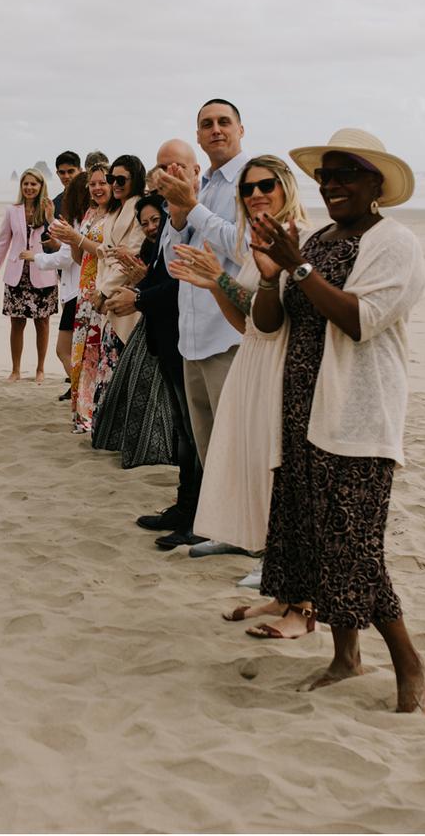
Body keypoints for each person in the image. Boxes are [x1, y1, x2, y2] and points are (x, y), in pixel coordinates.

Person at [246, 128, 425, 716]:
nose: (332, 186)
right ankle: (346, 656)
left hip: (358, 416)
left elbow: (361, 319)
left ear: (376, 183)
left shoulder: (394, 242)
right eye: (325, 176)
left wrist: (297, 265)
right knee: (315, 542)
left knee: (354, 546)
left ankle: (411, 663)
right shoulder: (319, 239)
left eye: (346, 174)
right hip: (299, 414)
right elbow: (270, 321)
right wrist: (275, 271)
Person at [171, 156, 308, 566]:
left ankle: (274, 557)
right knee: (243, 454)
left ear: (287, 186)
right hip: (252, 354)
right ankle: (247, 537)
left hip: (278, 363)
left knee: (271, 461)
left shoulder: (295, 237)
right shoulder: (257, 240)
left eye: (266, 186)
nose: (256, 195)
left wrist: (222, 279)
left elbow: (273, 314)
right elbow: (246, 320)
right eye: (247, 190)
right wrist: (215, 285)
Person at [152, 100, 251, 549]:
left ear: (240, 129)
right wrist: (178, 214)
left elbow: (240, 246)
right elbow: (175, 254)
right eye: (206, 124)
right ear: (198, 135)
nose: (215, 130)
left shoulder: (251, 181)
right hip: (192, 332)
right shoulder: (204, 183)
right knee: (208, 443)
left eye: (223, 122)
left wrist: (191, 207)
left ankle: (238, 530)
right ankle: (217, 526)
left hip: (228, 330)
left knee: (234, 443)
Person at [131, 141, 204, 546]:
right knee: (182, 430)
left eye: (178, 166)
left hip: (191, 337)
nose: (169, 173)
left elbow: (178, 280)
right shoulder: (164, 216)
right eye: (162, 167)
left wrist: (139, 296)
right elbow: (161, 271)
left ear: (196, 173)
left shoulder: (194, 213)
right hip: (169, 337)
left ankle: (198, 515)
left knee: (196, 434)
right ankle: (184, 506)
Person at [49, 159, 139, 433]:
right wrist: (69, 239)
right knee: (80, 355)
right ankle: (83, 416)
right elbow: (80, 256)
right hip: (84, 289)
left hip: (101, 287)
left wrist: (76, 237)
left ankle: (96, 419)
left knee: (97, 356)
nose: (99, 188)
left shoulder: (116, 215)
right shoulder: (89, 214)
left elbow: (106, 251)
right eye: (94, 184)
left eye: (104, 183)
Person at [93, 193, 176, 468]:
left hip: (168, 325)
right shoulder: (152, 248)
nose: (151, 227)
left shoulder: (171, 244)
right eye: (145, 223)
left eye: (155, 220)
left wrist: (138, 292)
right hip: (151, 323)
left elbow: (169, 285)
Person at [0, 168, 59, 382]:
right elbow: (2, 243)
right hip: (16, 274)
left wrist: (50, 218)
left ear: (41, 186)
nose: (29, 188)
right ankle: (16, 369)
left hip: (43, 273)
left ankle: (40, 369)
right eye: (26, 184)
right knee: (16, 323)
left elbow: (57, 238)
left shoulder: (48, 209)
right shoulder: (12, 210)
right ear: (21, 186)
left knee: (42, 323)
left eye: (33, 184)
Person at [33, 170, 91, 400]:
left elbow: (66, 256)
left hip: (78, 291)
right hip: (77, 290)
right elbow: (66, 248)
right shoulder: (85, 218)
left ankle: (83, 393)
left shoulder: (81, 219)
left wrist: (34, 258)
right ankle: (81, 392)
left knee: (64, 350)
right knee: (78, 351)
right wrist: (50, 221)